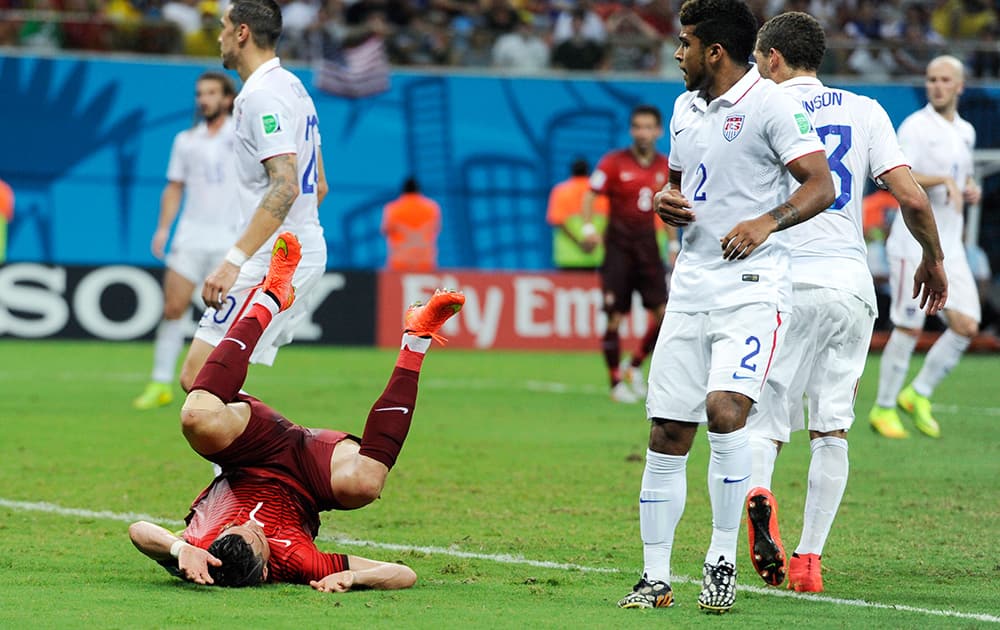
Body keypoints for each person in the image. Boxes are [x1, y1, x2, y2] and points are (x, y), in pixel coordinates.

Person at [617, 0, 835, 613]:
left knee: (726, 410)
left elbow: (822, 183)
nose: (677, 52)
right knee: (666, 429)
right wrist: (667, 198)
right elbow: (681, 183)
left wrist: (768, 221)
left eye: (685, 42)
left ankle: (721, 560)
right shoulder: (685, 108)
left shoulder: (771, 103)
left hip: (752, 286)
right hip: (690, 287)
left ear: (715, 51)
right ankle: (655, 578)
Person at [129, 231, 465, 590]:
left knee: (196, 416)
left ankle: (271, 296)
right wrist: (355, 576)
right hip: (311, 476)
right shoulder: (298, 562)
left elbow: (138, 531)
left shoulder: (202, 547)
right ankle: (417, 337)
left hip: (251, 454)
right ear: (264, 571)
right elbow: (403, 574)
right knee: (365, 483)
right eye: (258, 538)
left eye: (235, 527)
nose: (252, 524)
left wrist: (180, 549)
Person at [745, 11, 947, 594]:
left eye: (759, 58)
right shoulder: (865, 110)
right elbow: (911, 198)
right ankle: (809, 561)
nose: (756, 67)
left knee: (765, 419)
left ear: (775, 57)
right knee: (831, 430)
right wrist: (934, 259)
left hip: (784, 281)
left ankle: (759, 491)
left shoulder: (761, 110)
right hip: (849, 285)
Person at [178, 0, 329, 392]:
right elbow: (320, 187)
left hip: (276, 259)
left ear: (241, 32)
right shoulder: (294, 88)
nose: (219, 35)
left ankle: (295, 452)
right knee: (210, 380)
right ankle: (264, 454)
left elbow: (286, 185)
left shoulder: (261, 97)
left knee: (202, 378)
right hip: (291, 250)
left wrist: (234, 262)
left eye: (224, 26)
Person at [868, 55, 982, 439]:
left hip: (952, 244)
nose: (937, 85)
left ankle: (918, 393)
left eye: (945, 80)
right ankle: (883, 408)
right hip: (912, 243)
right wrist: (941, 181)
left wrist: (968, 189)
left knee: (966, 325)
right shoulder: (916, 127)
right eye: (931, 79)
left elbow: (959, 178)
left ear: (959, 86)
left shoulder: (966, 131)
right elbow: (900, 174)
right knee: (908, 325)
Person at [133, 71, 240, 411]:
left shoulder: (242, 135)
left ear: (227, 98)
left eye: (211, 93)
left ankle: (220, 388)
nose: (204, 99)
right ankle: (161, 382)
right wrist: (163, 228)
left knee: (226, 318)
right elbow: (174, 186)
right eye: (200, 93)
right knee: (172, 308)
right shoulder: (186, 140)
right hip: (190, 236)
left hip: (230, 240)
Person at [580, 104, 674, 404]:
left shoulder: (666, 166)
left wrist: (673, 245)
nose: (642, 133)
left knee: (665, 315)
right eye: (637, 127)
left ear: (658, 131)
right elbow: (589, 195)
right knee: (614, 317)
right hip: (617, 248)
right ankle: (615, 383)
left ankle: (633, 366)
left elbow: (672, 206)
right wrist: (587, 228)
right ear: (631, 130)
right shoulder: (612, 162)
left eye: (648, 127)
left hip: (648, 248)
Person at [545, 158, 609, 270]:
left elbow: (558, 221)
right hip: (596, 255)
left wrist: (580, 244)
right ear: (588, 171)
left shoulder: (561, 191)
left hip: (568, 257)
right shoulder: (600, 192)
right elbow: (610, 221)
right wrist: (594, 242)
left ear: (571, 171)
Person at [381, 177, 442, 272]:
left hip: (400, 263)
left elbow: (385, 230)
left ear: (403, 190)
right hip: (426, 263)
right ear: (419, 190)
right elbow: (436, 228)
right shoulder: (432, 208)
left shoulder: (393, 209)